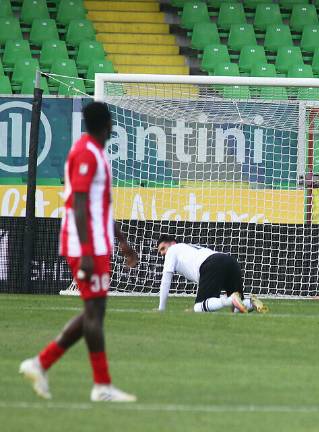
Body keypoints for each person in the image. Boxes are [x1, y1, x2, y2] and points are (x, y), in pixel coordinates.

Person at [19, 102, 139, 402]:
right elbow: (80, 204)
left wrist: (122, 243)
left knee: (93, 313)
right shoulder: (86, 153)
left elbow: (99, 207)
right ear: (108, 124)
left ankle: (41, 363)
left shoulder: (96, 153)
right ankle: (102, 386)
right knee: (94, 314)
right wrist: (86, 252)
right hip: (85, 246)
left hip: (97, 244)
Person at [156, 235, 266, 313]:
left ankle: (230, 300)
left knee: (199, 307)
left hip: (212, 263)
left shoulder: (173, 250)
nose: (162, 253)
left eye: (163, 248)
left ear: (173, 243)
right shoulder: (188, 248)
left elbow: (166, 280)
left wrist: (161, 308)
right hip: (230, 261)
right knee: (237, 308)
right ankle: (251, 303)